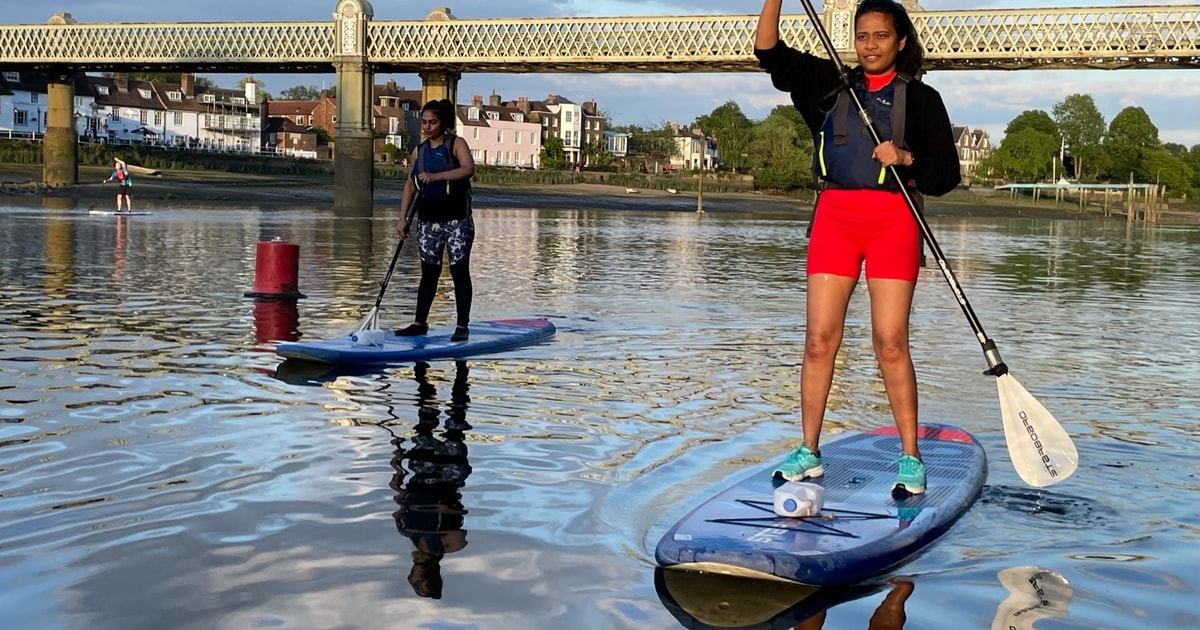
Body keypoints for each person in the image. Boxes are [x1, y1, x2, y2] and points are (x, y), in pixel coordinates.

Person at [755, 0, 961, 497]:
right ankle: (809, 451)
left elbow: (947, 176)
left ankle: (910, 457)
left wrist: (906, 157)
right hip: (835, 222)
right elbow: (768, 50)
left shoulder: (922, 99)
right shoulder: (828, 84)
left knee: (889, 343)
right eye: (862, 36)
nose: (870, 46)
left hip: (893, 223)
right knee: (818, 341)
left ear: (901, 41)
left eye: (881, 36)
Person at [395, 99, 477, 342]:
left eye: (432, 122)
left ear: (443, 123)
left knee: (459, 271)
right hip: (428, 220)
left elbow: (468, 169)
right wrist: (402, 219)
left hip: (456, 220)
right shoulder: (419, 151)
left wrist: (437, 176)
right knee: (429, 272)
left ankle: (462, 326)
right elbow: (410, 185)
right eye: (424, 122)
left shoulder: (456, 144)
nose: (427, 127)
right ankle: (419, 323)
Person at [391, 361, 473, 599]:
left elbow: (398, 492)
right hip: (448, 477)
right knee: (456, 418)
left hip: (420, 474)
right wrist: (432, 511)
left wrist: (397, 460)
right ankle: (461, 369)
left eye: (412, 577)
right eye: (416, 577)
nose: (412, 572)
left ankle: (421, 372)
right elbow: (457, 512)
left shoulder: (405, 530)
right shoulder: (452, 545)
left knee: (425, 421)